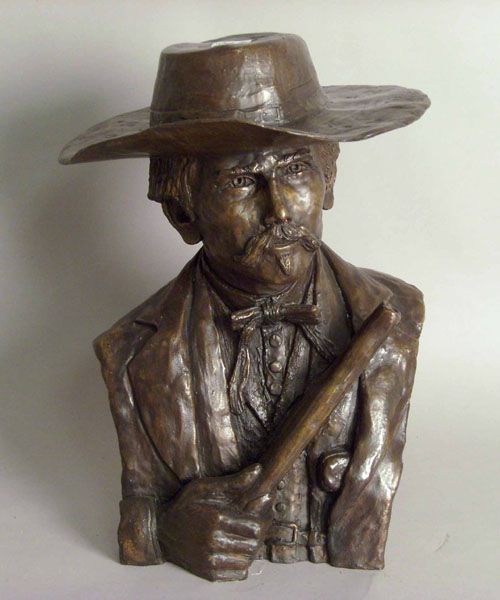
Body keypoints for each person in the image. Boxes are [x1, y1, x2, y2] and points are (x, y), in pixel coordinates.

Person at [59, 33, 429, 582]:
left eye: (295, 170)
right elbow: (141, 505)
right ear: (183, 213)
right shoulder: (131, 354)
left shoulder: (394, 315)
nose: (279, 209)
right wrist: (162, 532)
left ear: (328, 182)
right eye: (239, 181)